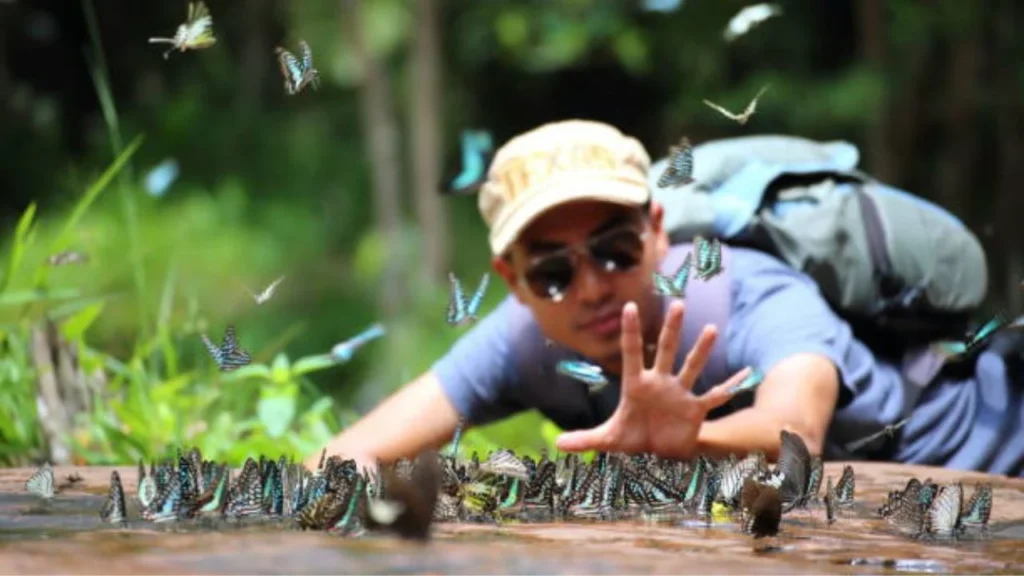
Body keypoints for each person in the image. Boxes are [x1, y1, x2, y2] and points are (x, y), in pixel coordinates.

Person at [310, 120, 1024, 476]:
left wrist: (693, 440)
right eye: (552, 272)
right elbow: (344, 460)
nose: (589, 287)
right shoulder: (521, 340)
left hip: (990, 457)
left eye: (615, 250)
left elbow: (795, 434)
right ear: (511, 280)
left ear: (655, 231)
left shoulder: (746, 291)